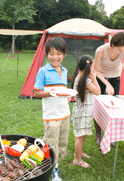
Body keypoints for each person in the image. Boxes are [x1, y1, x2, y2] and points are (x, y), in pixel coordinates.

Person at [33, 37, 70, 181]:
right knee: (51, 144)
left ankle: (54, 164)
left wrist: (66, 96)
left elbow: (62, 89)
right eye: (51, 54)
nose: (55, 57)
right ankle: (52, 170)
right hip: (51, 116)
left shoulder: (64, 70)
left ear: (64, 54)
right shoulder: (43, 71)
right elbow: (36, 93)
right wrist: (51, 93)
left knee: (62, 143)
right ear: (47, 55)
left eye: (59, 53)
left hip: (65, 114)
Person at [71, 55, 101, 168]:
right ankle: (77, 160)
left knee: (78, 135)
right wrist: (94, 78)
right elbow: (98, 92)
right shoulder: (87, 80)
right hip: (83, 113)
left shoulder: (78, 76)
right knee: (80, 137)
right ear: (89, 67)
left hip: (79, 110)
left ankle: (78, 153)